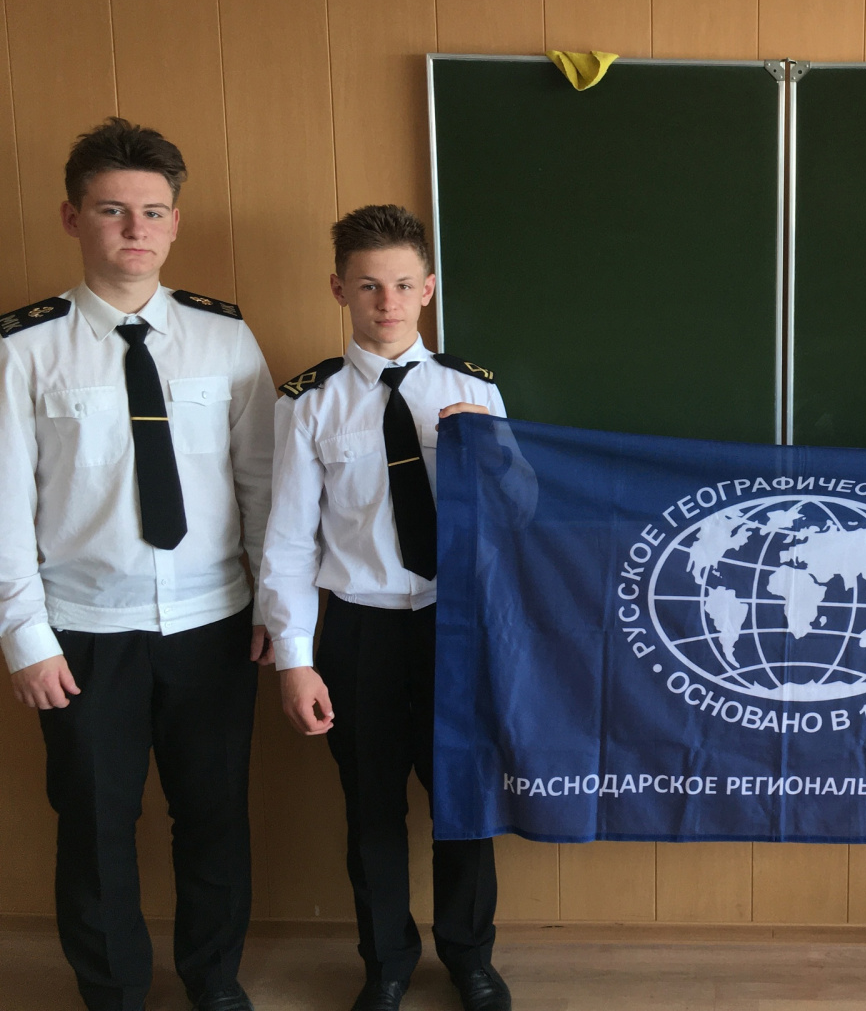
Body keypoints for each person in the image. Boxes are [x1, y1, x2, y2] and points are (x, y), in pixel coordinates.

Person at [0, 119, 276, 1011]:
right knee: (94, 825)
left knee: (215, 818)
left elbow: (263, 486)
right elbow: (3, 508)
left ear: (175, 222)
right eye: (111, 209)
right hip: (83, 632)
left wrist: (273, 609)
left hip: (213, 623)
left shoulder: (224, 337)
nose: (134, 229)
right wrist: (24, 637)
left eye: (153, 211)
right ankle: (113, 993)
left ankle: (214, 982)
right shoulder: (22, 349)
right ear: (72, 217)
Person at [257, 204, 510, 1011]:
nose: (387, 302)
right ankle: (387, 964)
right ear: (339, 289)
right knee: (370, 808)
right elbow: (288, 542)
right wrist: (295, 662)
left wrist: (494, 453)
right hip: (359, 629)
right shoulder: (309, 402)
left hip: (455, 627)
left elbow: (523, 515)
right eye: (368, 285)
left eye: (403, 285)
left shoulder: (473, 388)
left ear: (428, 289)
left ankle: (470, 956)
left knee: (463, 801)